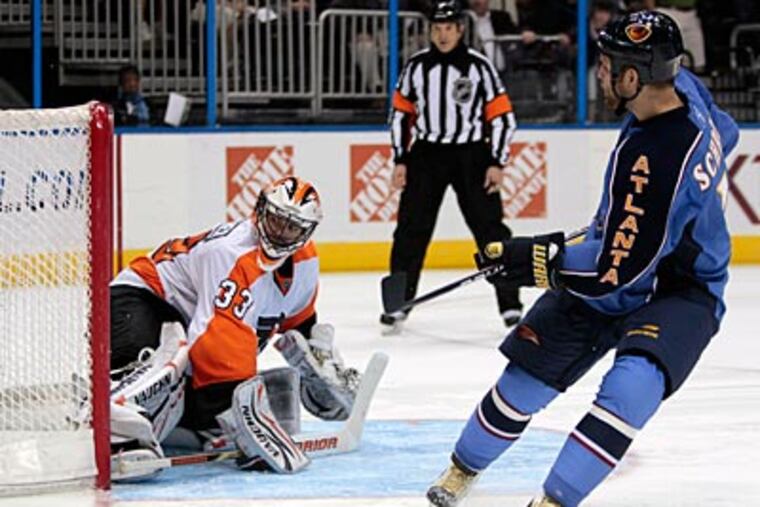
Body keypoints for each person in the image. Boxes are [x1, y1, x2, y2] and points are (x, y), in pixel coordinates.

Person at [427, 10, 738, 506]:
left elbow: (612, 272)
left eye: (607, 63)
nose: (599, 72)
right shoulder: (685, 88)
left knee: (632, 388)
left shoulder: (656, 161)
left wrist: (535, 258)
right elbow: (730, 133)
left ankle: (554, 500)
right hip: (627, 255)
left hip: (681, 290)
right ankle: (463, 467)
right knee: (522, 383)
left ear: (633, 77)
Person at [109, 176, 361, 475]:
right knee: (167, 359)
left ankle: (183, 425)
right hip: (139, 299)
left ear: (307, 232)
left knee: (211, 400)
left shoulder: (306, 262)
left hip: (190, 321)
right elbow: (215, 348)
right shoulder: (230, 253)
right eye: (276, 220)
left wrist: (319, 363)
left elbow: (299, 322)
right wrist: (245, 425)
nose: (281, 233)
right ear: (259, 211)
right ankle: (117, 430)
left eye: (292, 227)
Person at [383, 0, 521, 331]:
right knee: (410, 231)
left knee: (490, 230)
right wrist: (401, 158)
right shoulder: (416, 67)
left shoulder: (479, 67)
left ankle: (510, 303)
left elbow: (502, 116)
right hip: (427, 155)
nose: (442, 35)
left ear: (460, 29)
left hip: (471, 156)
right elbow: (400, 116)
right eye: (437, 28)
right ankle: (398, 303)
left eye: (449, 28)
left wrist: (497, 161)